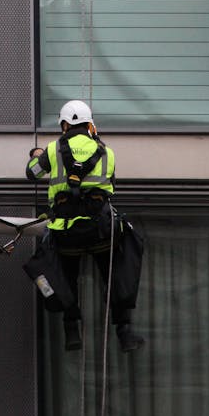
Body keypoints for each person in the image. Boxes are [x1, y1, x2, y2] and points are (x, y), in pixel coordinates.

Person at [26, 99, 144, 352]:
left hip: (66, 232)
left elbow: (32, 173)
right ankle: (124, 329)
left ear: (65, 124)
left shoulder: (53, 149)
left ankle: (72, 329)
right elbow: (111, 184)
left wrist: (37, 156)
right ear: (90, 124)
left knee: (66, 276)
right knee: (114, 271)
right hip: (100, 230)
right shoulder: (107, 152)